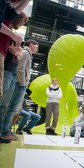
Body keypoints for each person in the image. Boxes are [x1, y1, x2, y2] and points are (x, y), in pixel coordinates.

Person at [1, 39, 38, 141]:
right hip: (20, 84)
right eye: (36, 46)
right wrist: (23, 84)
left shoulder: (27, 54)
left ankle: (6, 130)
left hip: (20, 83)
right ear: (31, 45)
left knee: (12, 109)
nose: (37, 49)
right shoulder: (26, 53)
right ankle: (5, 131)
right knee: (11, 108)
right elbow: (20, 69)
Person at [0, 12, 27, 143]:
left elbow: (19, 54)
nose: (22, 24)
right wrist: (15, 49)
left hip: (12, 71)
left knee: (4, 105)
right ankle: (3, 132)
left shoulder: (11, 31)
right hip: (6, 70)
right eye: (22, 21)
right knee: (2, 104)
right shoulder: (7, 29)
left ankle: (3, 132)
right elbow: (11, 50)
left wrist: (18, 51)